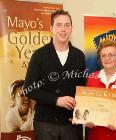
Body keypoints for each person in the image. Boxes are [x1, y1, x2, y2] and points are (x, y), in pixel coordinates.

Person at [23, 10, 86, 140]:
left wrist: (82, 115)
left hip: (71, 123)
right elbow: (29, 88)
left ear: (71, 28)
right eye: (59, 25)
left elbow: (83, 88)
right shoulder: (39, 55)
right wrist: (57, 100)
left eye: (67, 25)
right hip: (45, 123)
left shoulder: (79, 56)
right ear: (51, 28)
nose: (63, 29)